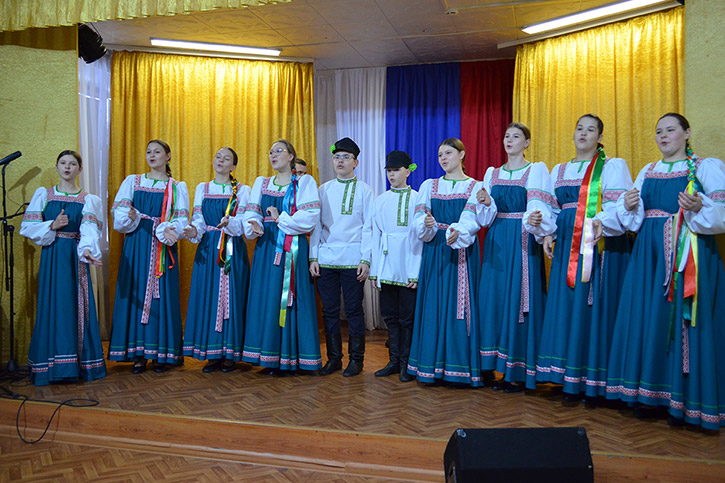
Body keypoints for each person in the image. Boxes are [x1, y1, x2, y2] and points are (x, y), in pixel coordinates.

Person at [606, 113, 725, 430]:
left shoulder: (705, 167)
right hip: (649, 254)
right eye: (659, 131)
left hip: (689, 254)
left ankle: (687, 400)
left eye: (670, 130)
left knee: (686, 321)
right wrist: (628, 205)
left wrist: (700, 207)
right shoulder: (647, 171)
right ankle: (649, 396)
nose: (663, 136)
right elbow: (630, 219)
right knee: (649, 318)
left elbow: (722, 213)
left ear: (687, 133)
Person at [536, 114, 633, 401]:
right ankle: (567, 376)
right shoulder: (560, 170)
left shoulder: (611, 167)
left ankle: (594, 380)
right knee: (568, 302)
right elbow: (552, 208)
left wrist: (602, 222)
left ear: (600, 138)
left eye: (590, 130)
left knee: (593, 303)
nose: (583, 133)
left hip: (598, 243)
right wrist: (548, 233)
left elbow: (618, 206)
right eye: (579, 128)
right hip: (567, 241)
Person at [457, 123, 556, 392]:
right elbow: (485, 217)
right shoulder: (492, 173)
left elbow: (539, 207)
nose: (509, 140)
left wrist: (537, 221)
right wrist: (487, 203)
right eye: (506, 136)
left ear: (527, 142)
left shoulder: (535, 170)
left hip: (522, 240)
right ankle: (490, 366)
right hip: (497, 241)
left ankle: (518, 371)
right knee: (493, 299)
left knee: (519, 302)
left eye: (516, 136)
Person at [407, 138, 494, 386]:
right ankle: (431, 365)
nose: (443, 158)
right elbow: (419, 217)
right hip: (435, 250)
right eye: (440, 155)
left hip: (460, 252)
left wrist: (459, 232)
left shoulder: (475, 186)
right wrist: (425, 224)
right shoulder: (429, 185)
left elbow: (472, 219)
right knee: (434, 304)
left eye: (448, 153)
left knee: (459, 307)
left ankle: (458, 367)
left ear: (462, 155)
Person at [20, 150, 106, 385]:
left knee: (73, 305)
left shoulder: (88, 199)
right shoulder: (44, 195)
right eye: (63, 163)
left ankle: (76, 365)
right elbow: (28, 227)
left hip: (74, 257)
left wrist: (87, 251)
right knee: (53, 304)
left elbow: (90, 230)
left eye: (72, 164)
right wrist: (52, 225)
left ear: (80, 169)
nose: (67, 167)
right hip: (52, 255)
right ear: (57, 167)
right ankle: (51, 365)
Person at [108, 139, 189, 374]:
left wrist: (170, 230)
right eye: (148, 152)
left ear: (168, 156)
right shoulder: (133, 181)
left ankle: (161, 353)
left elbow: (181, 219)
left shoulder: (176, 187)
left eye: (157, 152)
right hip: (137, 242)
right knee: (136, 292)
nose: (152, 155)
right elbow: (119, 213)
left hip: (163, 245)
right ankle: (137, 354)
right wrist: (131, 216)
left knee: (161, 296)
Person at [242, 140, 321, 374]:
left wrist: (280, 219)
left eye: (279, 151)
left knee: (289, 296)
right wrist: (254, 223)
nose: (273, 155)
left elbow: (310, 217)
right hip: (266, 246)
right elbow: (251, 212)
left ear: (291, 156)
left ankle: (291, 357)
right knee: (267, 296)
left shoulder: (304, 182)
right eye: (271, 152)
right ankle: (269, 356)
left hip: (292, 247)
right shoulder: (262, 183)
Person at [182, 147, 251, 372]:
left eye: (226, 158)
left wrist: (230, 224)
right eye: (218, 157)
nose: (221, 160)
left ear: (233, 166)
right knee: (209, 296)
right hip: (208, 248)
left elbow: (244, 222)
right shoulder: (202, 188)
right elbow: (198, 219)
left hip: (231, 248)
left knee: (232, 297)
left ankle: (230, 353)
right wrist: (194, 230)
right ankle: (212, 352)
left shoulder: (243, 190)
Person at [310, 137, 374, 377]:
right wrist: (313, 257)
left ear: (355, 162)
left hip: (353, 259)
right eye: (337, 157)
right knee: (329, 311)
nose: (340, 161)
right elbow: (316, 225)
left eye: (346, 157)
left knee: (354, 310)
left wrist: (366, 259)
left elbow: (369, 227)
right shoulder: (323, 189)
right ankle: (334, 358)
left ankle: (357, 360)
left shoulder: (365, 190)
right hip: (326, 258)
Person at [369, 151, 422, 382]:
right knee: (390, 316)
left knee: (407, 318)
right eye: (389, 171)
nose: (392, 175)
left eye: (396, 170)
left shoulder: (418, 199)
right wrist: (375, 271)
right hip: (387, 264)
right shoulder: (380, 201)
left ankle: (406, 364)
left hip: (409, 264)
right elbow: (375, 236)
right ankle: (393, 360)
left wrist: (415, 272)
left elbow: (421, 238)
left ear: (407, 171)